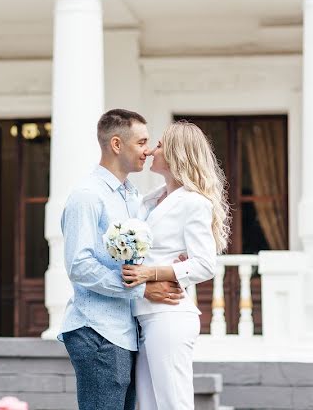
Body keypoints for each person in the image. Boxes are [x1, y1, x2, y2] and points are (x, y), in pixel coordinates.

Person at [59, 109, 186, 410]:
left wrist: (170, 263)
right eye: (142, 142)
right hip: (98, 332)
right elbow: (80, 266)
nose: (149, 150)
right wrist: (141, 288)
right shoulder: (87, 196)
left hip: (127, 331)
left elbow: (139, 256)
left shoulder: (132, 196)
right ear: (117, 144)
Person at [122, 121, 231, 410]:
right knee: (149, 405)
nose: (151, 151)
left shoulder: (193, 203)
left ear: (175, 154)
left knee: (173, 404)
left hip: (168, 316)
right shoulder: (150, 200)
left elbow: (205, 264)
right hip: (143, 315)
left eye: (158, 145)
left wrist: (152, 273)